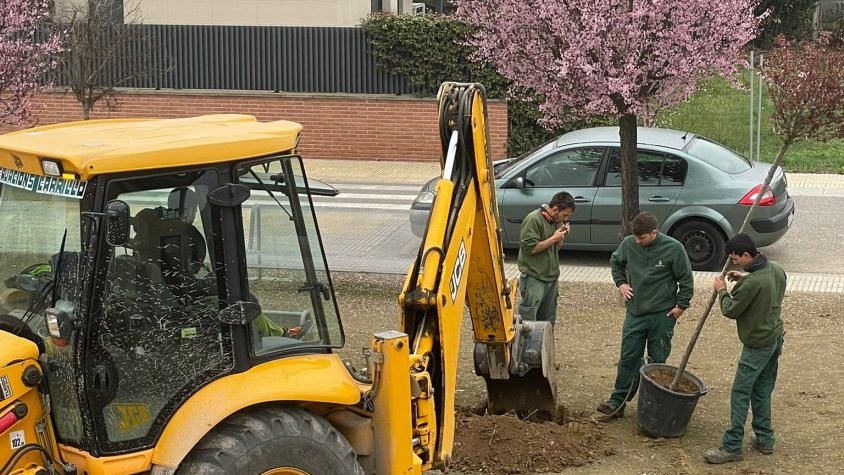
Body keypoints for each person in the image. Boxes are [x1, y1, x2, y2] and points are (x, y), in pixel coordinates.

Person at [597, 211, 694, 418]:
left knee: (657, 360)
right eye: (636, 237)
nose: (638, 242)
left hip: (662, 315)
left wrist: (681, 307)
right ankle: (617, 402)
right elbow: (616, 262)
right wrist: (621, 283)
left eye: (642, 238)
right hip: (636, 313)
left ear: (654, 233)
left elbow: (686, 279)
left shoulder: (674, 248)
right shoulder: (629, 244)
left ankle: (654, 405)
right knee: (628, 357)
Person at [704, 233, 786, 464]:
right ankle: (765, 439)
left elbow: (730, 309)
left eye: (736, 258)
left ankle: (731, 447)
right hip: (775, 337)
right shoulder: (776, 269)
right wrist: (744, 277)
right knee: (762, 390)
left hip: (757, 345)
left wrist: (722, 290)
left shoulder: (752, 282)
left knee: (741, 393)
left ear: (747, 255)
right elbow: (765, 287)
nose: (733, 262)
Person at [516, 191, 575, 327]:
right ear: (555, 209)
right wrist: (554, 238)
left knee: (547, 322)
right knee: (529, 323)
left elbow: (554, 248)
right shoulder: (533, 220)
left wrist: (561, 236)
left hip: (551, 278)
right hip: (534, 278)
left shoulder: (554, 221)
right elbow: (531, 249)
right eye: (564, 215)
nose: (565, 219)